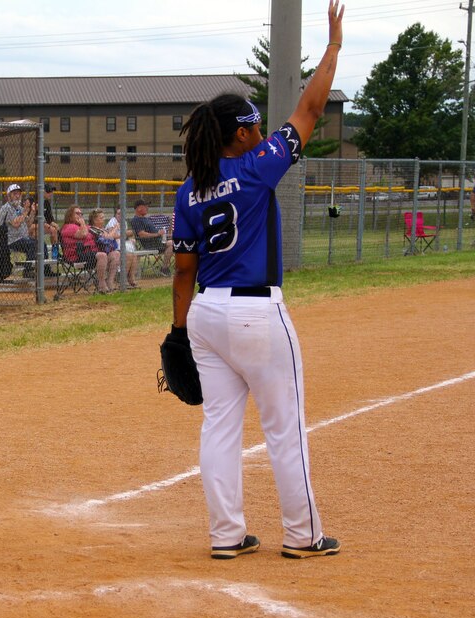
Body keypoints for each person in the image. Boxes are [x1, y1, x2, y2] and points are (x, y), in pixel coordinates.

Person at [170, 1, 345, 561]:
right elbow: (311, 108)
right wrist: (334, 48)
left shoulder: (188, 189)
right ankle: (304, 535)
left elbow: (182, 269)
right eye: (252, 125)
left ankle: (226, 536)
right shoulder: (255, 166)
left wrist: (177, 332)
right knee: (284, 428)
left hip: (205, 317)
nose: (259, 131)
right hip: (256, 314)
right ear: (241, 135)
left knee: (219, 429)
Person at [130, 198, 173, 275]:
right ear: (139, 208)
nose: (147, 208)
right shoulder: (136, 220)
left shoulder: (145, 218)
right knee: (171, 244)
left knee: (178, 240)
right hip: (150, 244)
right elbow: (141, 234)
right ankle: (164, 268)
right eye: (145, 206)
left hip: (157, 242)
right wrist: (157, 234)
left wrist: (166, 235)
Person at [0, 183, 38, 260]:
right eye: (14, 194)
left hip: (23, 239)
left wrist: (32, 211)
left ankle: (45, 269)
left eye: (19, 194)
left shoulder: (19, 208)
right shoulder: (5, 208)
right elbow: (16, 224)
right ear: (8, 196)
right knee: (33, 245)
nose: (17, 196)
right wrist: (26, 211)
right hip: (11, 240)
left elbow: (28, 224)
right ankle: (28, 270)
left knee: (42, 245)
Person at [88, 209, 121, 294]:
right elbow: (108, 237)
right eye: (101, 218)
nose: (104, 219)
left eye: (103, 217)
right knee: (104, 255)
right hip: (94, 256)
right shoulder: (92, 229)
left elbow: (110, 237)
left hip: (105, 254)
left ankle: (110, 281)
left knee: (116, 254)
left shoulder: (102, 229)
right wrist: (116, 227)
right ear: (94, 220)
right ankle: (101, 284)